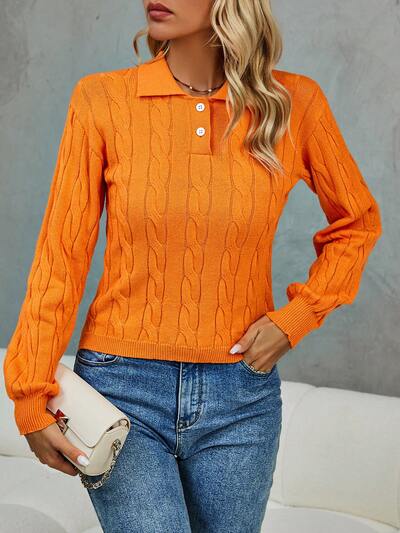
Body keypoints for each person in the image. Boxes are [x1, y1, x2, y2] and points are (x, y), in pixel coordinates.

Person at [3, 0, 382, 531]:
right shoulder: (102, 99)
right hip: (121, 389)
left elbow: (357, 222)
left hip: (241, 398)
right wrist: (29, 392)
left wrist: (296, 318)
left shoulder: (293, 104)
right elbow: (60, 256)